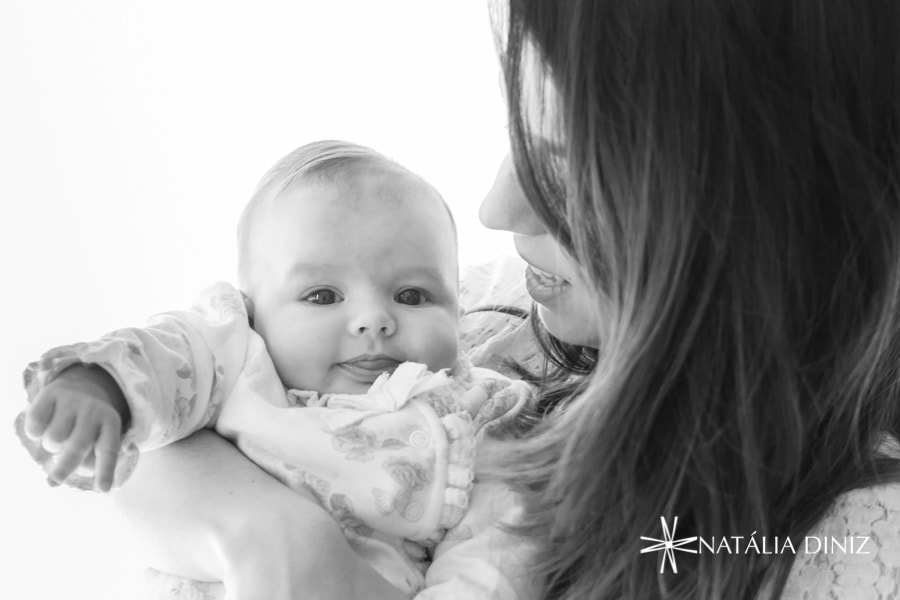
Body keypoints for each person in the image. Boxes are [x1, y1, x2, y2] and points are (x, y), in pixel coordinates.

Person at [72, 0, 900, 599]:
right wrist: (270, 534)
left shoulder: (853, 544)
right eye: (517, 143)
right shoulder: (488, 320)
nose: (495, 210)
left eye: (566, 171)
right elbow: (145, 438)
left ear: (751, 212)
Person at [16, 140, 540, 598]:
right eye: (322, 295)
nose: (373, 320)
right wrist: (100, 384)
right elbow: (167, 357)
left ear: (458, 310)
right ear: (253, 310)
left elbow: (496, 551)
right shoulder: (239, 357)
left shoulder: (480, 413)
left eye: (411, 295)